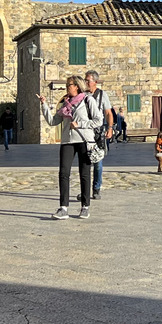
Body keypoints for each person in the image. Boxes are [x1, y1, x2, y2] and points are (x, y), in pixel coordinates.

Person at [39, 76, 100, 219]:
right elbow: (53, 121)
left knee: (84, 173)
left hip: (84, 140)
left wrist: (81, 125)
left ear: (77, 86)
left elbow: (98, 120)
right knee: (63, 173)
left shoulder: (87, 100)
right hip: (67, 141)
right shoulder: (65, 105)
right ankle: (63, 208)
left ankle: (85, 206)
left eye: (69, 85)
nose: (67, 87)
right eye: (67, 85)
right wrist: (44, 105)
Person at [84, 70, 114, 199]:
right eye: (85, 80)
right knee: (84, 161)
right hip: (85, 131)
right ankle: (84, 189)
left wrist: (110, 128)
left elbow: (108, 113)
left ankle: (96, 188)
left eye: (88, 80)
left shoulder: (102, 95)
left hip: (97, 132)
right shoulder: (82, 95)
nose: (85, 82)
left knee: (97, 161)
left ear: (95, 82)